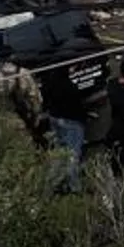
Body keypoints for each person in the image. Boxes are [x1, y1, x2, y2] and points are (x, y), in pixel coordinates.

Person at [37, 61, 91, 192]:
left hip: (55, 119)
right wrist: (84, 117)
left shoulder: (48, 83)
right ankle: (74, 187)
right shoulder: (69, 86)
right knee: (73, 154)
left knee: (59, 152)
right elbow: (77, 106)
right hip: (71, 122)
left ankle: (52, 184)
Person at [0, 44, 46, 147]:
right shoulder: (23, 73)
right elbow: (34, 97)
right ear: (12, 56)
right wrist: (37, 115)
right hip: (24, 118)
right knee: (29, 149)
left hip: (4, 121)